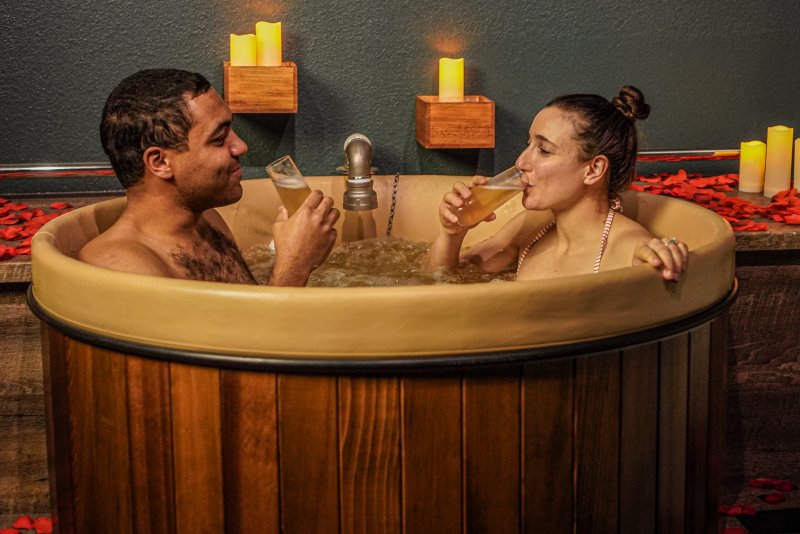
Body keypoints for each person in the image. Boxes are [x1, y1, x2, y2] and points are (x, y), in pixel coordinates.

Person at [80, 68, 339, 286]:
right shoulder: (118, 264)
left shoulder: (208, 220)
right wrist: (294, 266)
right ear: (160, 162)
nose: (241, 147)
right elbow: (241, 346)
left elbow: (240, 321)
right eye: (219, 139)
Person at [422, 86, 688, 281]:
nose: (522, 162)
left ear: (594, 170)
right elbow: (438, 281)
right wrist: (452, 233)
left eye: (544, 150)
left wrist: (662, 257)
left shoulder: (627, 248)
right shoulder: (533, 227)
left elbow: (653, 264)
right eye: (529, 145)